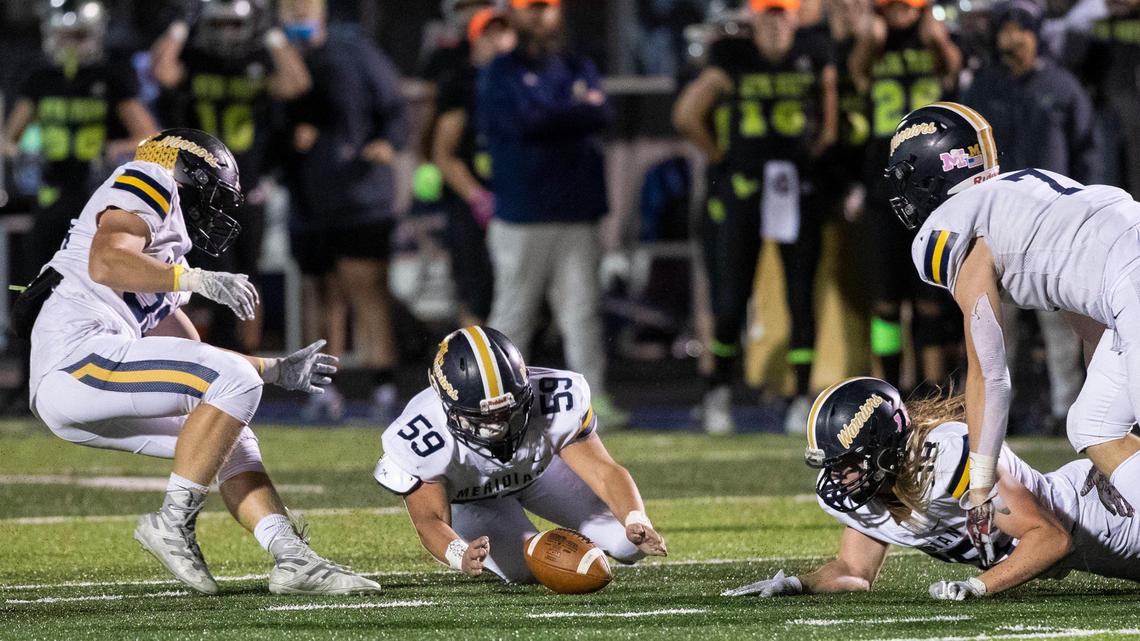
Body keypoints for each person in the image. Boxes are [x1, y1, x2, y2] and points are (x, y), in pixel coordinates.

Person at [24, 128, 380, 596]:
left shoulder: (163, 256)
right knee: (228, 385)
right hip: (76, 358)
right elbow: (106, 261)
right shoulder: (149, 176)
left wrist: (274, 369)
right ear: (187, 174)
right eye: (213, 194)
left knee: (231, 431)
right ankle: (171, 525)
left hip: (88, 378)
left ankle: (293, 559)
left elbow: (201, 360)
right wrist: (194, 279)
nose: (216, 209)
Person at [884, 100, 1140, 567]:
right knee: (1094, 424)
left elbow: (989, 372)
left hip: (1133, 284)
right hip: (1126, 288)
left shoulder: (950, 226)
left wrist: (980, 483)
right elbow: (1095, 327)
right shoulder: (1023, 197)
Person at [723, 377, 1139, 600]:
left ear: (885, 450)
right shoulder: (866, 496)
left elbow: (1050, 537)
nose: (838, 478)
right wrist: (799, 584)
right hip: (1100, 548)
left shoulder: (949, 458)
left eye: (847, 463)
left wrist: (979, 587)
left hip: (1112, 514)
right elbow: (854, 572)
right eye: (832, 465)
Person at [373, 327, 667, 583]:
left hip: (538, 475)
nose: (498, 425)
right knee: (526, 570)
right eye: (484, 418)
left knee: (628, 545)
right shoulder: (422, 433)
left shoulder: (555, 396)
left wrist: (634, 518)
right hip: (472, 498)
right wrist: (459, 553)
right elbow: (429, 519)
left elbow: (604, 471)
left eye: (507, 412)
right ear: (448, 407)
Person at [672, 0, 838, 434]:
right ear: (754, 19)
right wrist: (721, 161)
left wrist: (816, 153)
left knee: (801, 295)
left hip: (794, 186)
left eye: (782, 12)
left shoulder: (812, 50)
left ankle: (802, 397)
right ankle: (717, 391)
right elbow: (687, 114)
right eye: (768, 13)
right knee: (730, 300)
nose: (776, 22)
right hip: (742, 190)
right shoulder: (732, 56)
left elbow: (830, 117)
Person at [476, 0, 628, 428]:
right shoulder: (500, 71)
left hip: (576, 209)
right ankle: (490, 401)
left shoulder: (577, 63)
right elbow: (527, 121)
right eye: (531, 8)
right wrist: (575, 111)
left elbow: (601, 113)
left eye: (546, 7)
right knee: (513, 315)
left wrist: (561, 113)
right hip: (523, 213)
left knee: (582, 314)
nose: (540, 17)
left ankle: (593, 400)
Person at [962, 0, 1099, 435]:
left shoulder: (1062, 85)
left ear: (1036, 33)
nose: (1013, 36)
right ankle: (1002, 414)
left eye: (1021, 27)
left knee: (1063, 328)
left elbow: (1088, 151)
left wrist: (1087, 210)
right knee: (995, 329)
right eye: (1005, 27)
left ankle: (1067, 411)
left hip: (1054, 228)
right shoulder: (982, 88)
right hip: (994, 228)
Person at [151, 0, 311, 352]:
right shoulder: (195, 57)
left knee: (246, 274)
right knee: (193, 274)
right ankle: (192, 355)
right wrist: (181, 25)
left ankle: (244, 359)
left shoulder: (257, 57)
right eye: (219, 25)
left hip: (246, 184)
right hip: (197, 188)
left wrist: (272, 33)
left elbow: (297, 83)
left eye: (235, 25)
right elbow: (162, 71)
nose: (227, 33)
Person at [280, 0, 409, 422]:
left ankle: (383, 388)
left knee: (367, 290)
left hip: (359, 195)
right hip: (307, 197)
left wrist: (389, 142)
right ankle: (322, 391)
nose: (298, 7)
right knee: (319, 296)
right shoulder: (275, 54)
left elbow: (394, 107)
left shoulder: (355, 50)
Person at [849, 0, 961, 390]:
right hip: (883, 188)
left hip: (932, 192)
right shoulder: (871, 43)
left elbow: (954, 72)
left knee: (931, 299)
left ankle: (931, 393)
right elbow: (857, 75)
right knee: (885, 305)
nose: (899, 11)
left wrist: (938, 39)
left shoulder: (935, 39)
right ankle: (889, 388)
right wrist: (869, 40)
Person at [3, 0, 157, 280]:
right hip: (52, 192)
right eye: (63, 35)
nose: (69, 44)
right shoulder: (41, 78)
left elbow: (149, 136)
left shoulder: (110, 77)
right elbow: (8, 139)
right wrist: (24, 154)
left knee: (95, 279)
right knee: (41, 279)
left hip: (97, 195)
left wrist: (114, 149)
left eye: (78, 36)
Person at [431, 8, 516, 325]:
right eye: (489, 34)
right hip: (473, 207)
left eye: (504, 32)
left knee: (516, 294)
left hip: (516, 203)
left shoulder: (519, 80)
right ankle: (475, 370)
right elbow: (444, 151)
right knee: (476, 293)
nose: (498, 41)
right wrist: (477, 197)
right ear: (475, 40)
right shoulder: (464, 83)